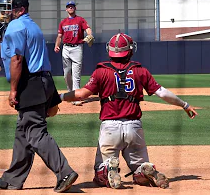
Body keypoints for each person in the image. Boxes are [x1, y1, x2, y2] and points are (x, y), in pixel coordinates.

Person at [0, 0, 78, 192]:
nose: (3, 13)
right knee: (23, 133)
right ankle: (12, 179)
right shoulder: (29, 25)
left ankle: (64, 172)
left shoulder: (16, 27)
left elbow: (17, 59)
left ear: (19, 9)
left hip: (31, 84)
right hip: (43, 81)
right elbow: (4, 46)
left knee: (35, 133)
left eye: (6, 8)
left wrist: (13, 91)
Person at [60, 33, 198, 189]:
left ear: (109, 50)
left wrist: (59, 97)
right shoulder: (140, 71)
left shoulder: (101, 71)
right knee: (139, 172)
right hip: (134, 127)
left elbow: (82, 94)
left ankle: (107, 169)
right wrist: (184, 105)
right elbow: (163, 93)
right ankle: (143, 169)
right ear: (131, 50)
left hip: (110, 128)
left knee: (99, 176)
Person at [54, 1, 93, 106]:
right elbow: (59, 36)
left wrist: (89, 34)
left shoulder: (80, 20)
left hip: (77, 48)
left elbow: (88, 29)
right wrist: (57, 45)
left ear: (75, 8)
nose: (70, 8)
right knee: (66, 74)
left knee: (76, 75)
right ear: (66, 9)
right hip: (66, 48)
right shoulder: (63, 22)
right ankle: (70, 93)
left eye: (72, 6)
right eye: (68, 7)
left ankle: (76, 97)